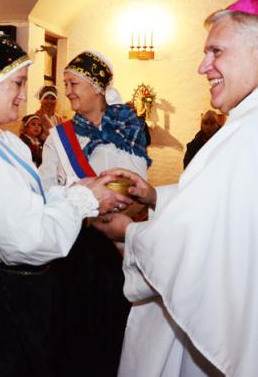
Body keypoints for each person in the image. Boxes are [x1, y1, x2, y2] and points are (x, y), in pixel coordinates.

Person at [94, 0, 258, 377]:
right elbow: (235, 215)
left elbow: (200, 249)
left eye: (215, 51)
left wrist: (129, 233)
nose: (203, 66)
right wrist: (155, 197)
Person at [0, 31, 133, 377]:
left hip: (2, 285)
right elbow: (27, 238)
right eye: (17, 84)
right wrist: (84, 199)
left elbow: (31, 201)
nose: (22, 96)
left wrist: (79, 189)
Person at [39, 50, 151, 377]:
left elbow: (138, 184)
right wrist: (86, 197)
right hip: (74, 245)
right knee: (71, 329)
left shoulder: (128, 129)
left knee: (111, 327)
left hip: (115, 247)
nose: (68, 91)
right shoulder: (59, 138)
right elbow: (45, 189)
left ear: (96, 87)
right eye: (65, 84)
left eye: (73, 83)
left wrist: (105, 195)